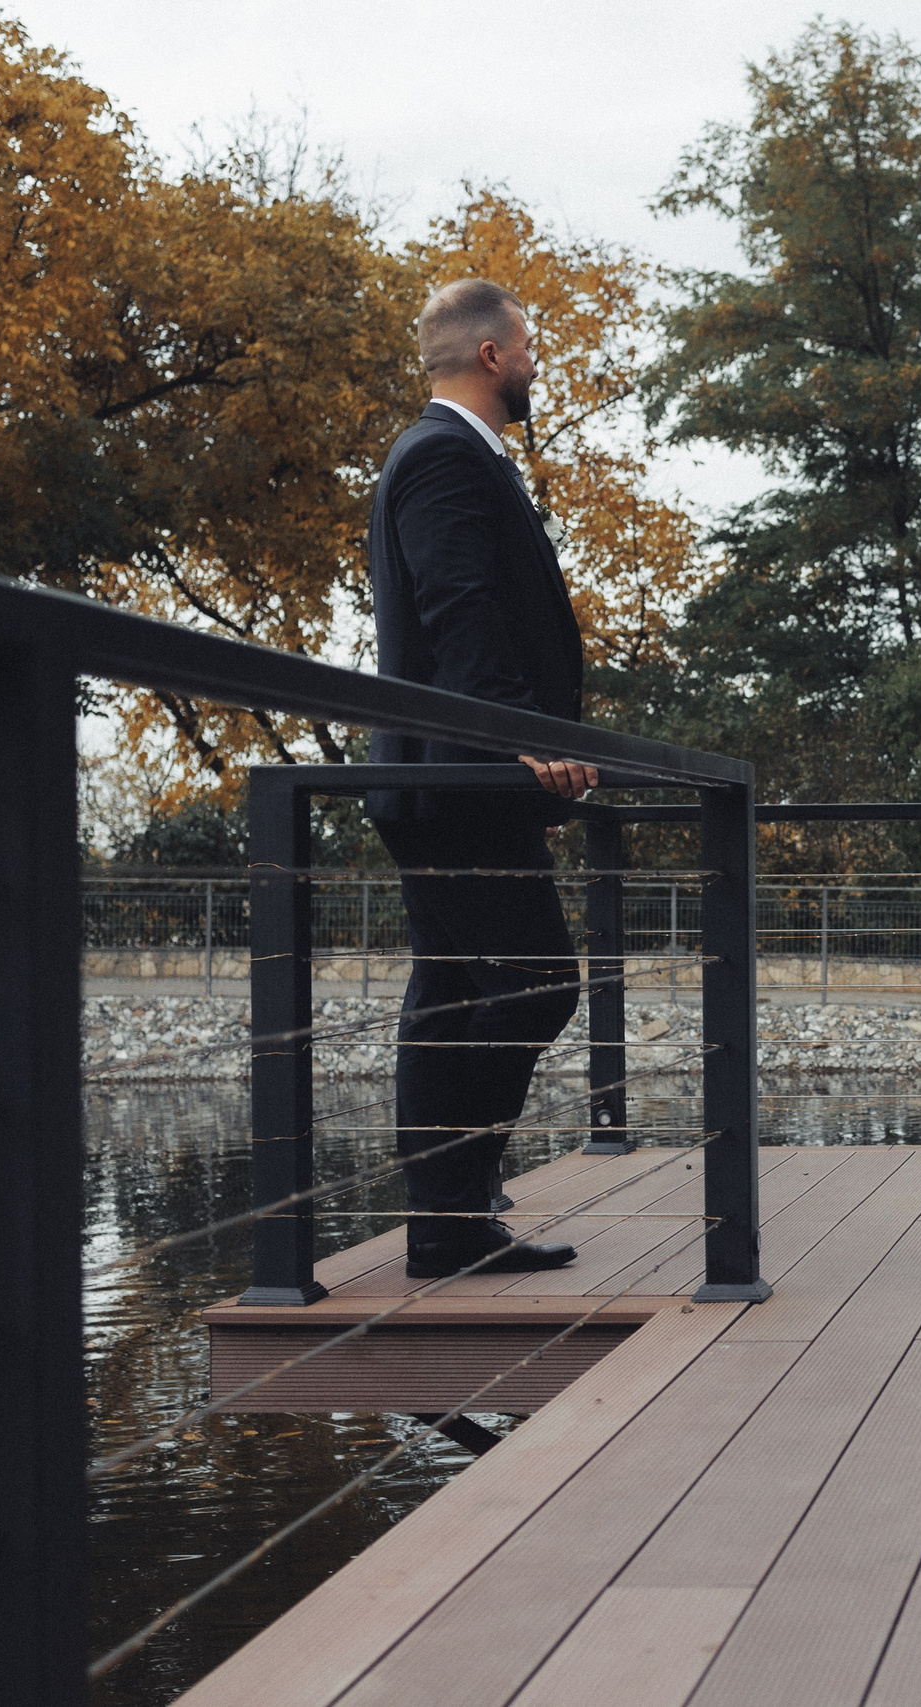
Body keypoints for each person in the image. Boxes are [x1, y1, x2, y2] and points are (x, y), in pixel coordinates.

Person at [367, 279, 589, 1280]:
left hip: (452, 776)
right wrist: (517, 739)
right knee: (536, 986)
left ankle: (446, 1226)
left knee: (454, 994)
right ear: (493, 355)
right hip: (457, 778)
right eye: (530, 348)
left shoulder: (447, 456)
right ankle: (450, 1210)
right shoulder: (444, 457)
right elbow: (460, 608)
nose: (537, 365)